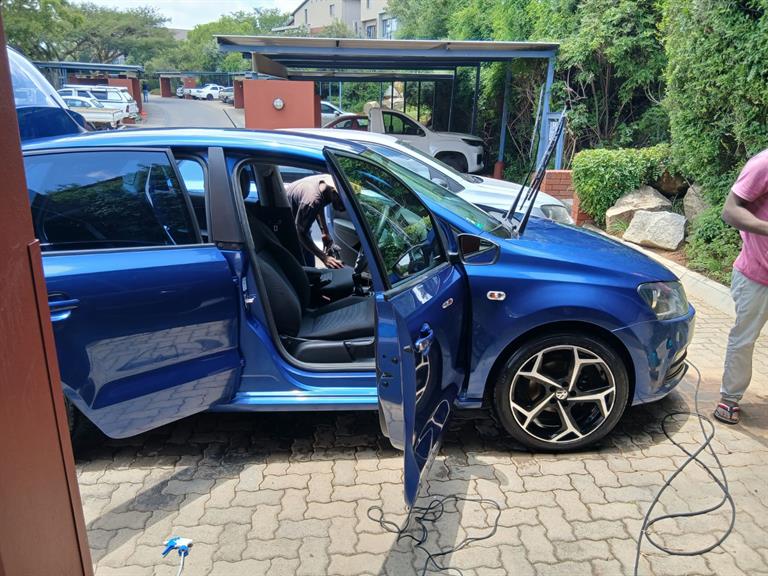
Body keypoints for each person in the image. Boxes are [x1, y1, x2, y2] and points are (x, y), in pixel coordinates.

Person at [714, 149, 768, 425]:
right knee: (744, 338)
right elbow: (730, 210)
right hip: (757, 275)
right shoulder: (764, 163)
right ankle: (730, 398)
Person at [285, 174, 345, 269]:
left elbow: (319, 206)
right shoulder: (312, 200)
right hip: (287, 224)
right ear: (334, 192)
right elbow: (300, 232)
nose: (342, 208)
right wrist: (324, 258)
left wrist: (325, 233)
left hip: (299, 218)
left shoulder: (327, 184)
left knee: (308, 256)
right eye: (341, 203)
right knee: (305, 265)